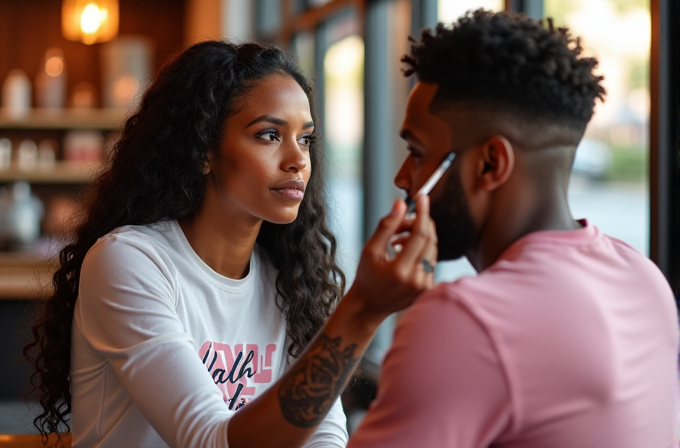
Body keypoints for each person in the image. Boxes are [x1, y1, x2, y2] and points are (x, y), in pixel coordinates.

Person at [23, 41, 438, 447]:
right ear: (204, 150)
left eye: (306, 139)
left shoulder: (290, 277)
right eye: (270, 134)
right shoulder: (129, 261)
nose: (298, 159)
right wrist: (364, 308)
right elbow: (209, 441)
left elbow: (324, 433)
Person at [346, 9, 678, 448]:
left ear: (490, 164)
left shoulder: (467, 319)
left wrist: (362, 307)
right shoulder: (644, 277)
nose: (403, 177)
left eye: (418, 152)